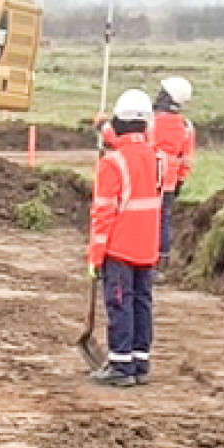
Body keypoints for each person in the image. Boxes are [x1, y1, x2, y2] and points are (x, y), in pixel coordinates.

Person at [87, 88, 162, 387]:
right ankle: (139, 360)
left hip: (119, 249)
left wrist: (95, 256)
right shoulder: (157, 159)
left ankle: (120, 365)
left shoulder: (112, 163)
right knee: (142, 302)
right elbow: (132, 143)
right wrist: (103, 128)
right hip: (147, 247)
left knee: (120, 304)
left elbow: (103, 214)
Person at [151, 74, 196, 262]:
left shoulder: (149, 122)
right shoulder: (186, 127)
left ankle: (142, 261)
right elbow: (186, 159)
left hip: (146, 180)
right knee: (163, 220)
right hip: (169, 184)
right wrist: (180, 181)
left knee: (145, 220)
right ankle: (162, 258)